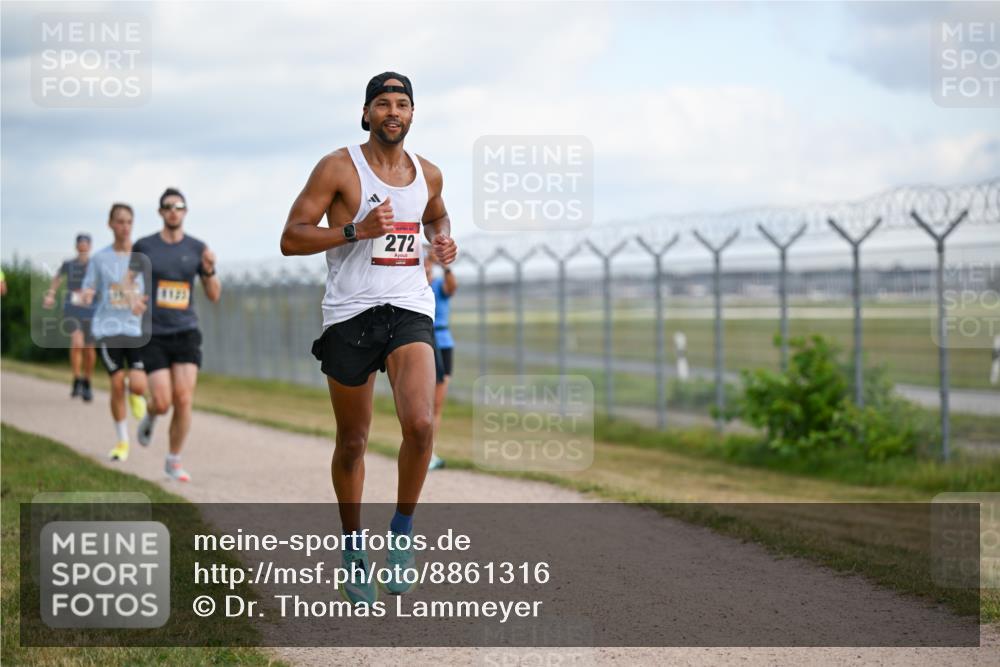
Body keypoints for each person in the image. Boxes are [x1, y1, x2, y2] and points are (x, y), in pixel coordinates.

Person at [280, 72, 458, 604]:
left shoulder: (428, 174)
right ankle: (353, 547)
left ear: (411, 115)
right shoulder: (338, 167)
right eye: (383, 103)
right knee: (353, 441)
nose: (393, 111)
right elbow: (291, 238)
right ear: (366, 114)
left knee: (422, 424)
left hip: (409, 307)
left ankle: (400, 535)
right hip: (350, 313)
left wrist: (442, 241)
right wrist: (358, 229)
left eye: (402, 104)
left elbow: (438, 215)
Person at [133, 188, 221, 481]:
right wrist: (132, 298)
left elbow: (214, 295)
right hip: (154, 333)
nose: (173, 211)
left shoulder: (197, 248)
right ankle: (151, 415)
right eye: (168, 206)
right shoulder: (145, 246)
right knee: (162, 401)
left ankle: (173, 460)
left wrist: (209, 271)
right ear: (160, 212)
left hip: (186, 331)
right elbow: (125, 284)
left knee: (183, 398)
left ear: (185, 212)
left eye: (179, 206)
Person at [82, 203, 150, 463]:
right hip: (107, 329)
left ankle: (136, 394)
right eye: (119, 221)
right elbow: (90, 288)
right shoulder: (99, 259)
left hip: (134, 329)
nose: (124, 227)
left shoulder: (142, 257)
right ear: (110, 224)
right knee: (115, 383)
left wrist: (142, 303)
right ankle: (122, 442)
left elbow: (148, 292)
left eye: (128, 222)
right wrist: (87, 294)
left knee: (138, 384)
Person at [43, 233, 96, 401]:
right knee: (76, 343)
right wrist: (51, 294)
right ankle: (76, 379)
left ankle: (87, 381)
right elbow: (57, 278)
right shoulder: (69, 264)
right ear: (76, 246)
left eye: (86, 244)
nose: (83, 246)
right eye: (80, 243)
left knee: (89, 349)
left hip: (91, 310)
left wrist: (94, 292)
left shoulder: (95, 265)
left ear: (90, 246)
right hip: (72, 309)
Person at [423, 248, 457, 470]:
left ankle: (430, 451)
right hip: (425, 341)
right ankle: (424, 452)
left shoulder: (438, 286)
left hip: (443, 343)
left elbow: (451, 286)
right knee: (425, 404)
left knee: (437, 404)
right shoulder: (416, 288)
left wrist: (444, 263)